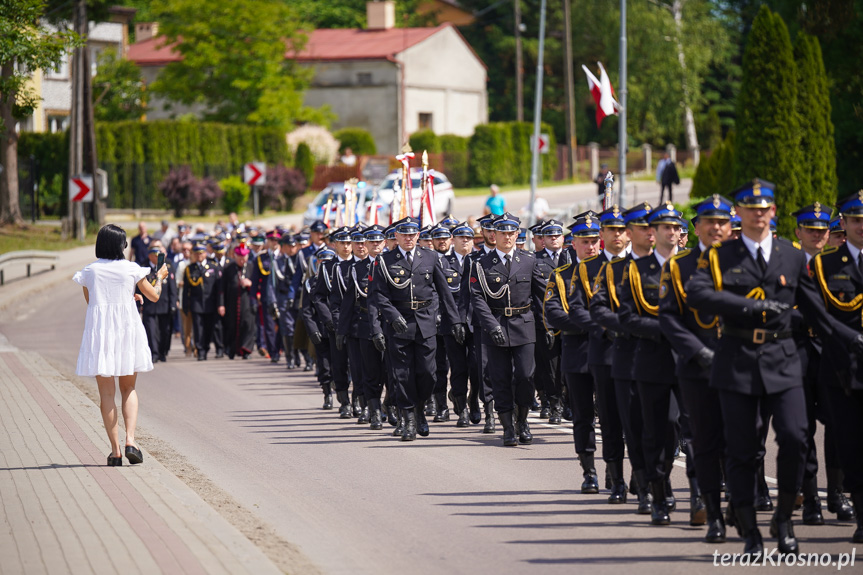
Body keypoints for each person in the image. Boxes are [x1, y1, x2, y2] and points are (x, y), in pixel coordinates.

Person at [687, 179, 863, 557]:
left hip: (784, 360)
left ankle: (783, 517)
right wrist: (750, 308)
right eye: (749, 208)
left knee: (797, 437)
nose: (756, 214)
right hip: (736, 359)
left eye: (763, 208)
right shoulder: (720, 255)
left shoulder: (792, 256)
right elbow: (698, 293)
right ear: (741, 213)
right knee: (742, 448)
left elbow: (817, 311)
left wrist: (850, 341)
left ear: (773, 212)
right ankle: (749, 529)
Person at [660, 195, 734, 542]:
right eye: (709, 221)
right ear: (697, 227)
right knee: (701, 440)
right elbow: (671, 318)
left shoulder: (749, 261)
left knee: (741, 439)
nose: (716, 227)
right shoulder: (680, 266)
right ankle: (709, 507)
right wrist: (699, 352)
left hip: (741, 364)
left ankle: (739, 500)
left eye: (723, 222)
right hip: (696, 365)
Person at [73, 224, 167, 467]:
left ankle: (115, 452)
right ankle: (131, 441)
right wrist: (160, 278)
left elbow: (91, 302)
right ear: (121, 245)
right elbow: (154, 296)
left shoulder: (90, 271)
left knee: (106, 393)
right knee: (129, 388)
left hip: (102, 335)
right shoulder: (131, 269)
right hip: (127, 331)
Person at [368, 216, 464, 441]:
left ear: (418, 236)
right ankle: (409, 419)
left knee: (428, 373)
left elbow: (444, 292)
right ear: (397, 236)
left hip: (425, 322)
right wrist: (391, 316)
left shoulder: (430, 257)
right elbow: (378, 294)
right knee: (402, 375)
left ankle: (420, 408)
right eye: (404, 234)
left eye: (413, 234)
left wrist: (455, 321)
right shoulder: (384, 260)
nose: (409, 238)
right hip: (399, 324)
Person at [810, 191, 863, 544]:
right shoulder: (823, 265)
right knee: (851, 445)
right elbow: (819, 316)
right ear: (842, 224)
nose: (862, 226)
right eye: (856, 220)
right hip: (844, 369)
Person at [469, 213, 547, 446]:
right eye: (502, 233)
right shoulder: (481, 264)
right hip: (496, 326)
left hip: (524, 325)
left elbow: (542, 295)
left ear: (517, 234)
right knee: (500, 378)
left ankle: (522, 420)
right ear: (495, 235)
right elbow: (477, 297)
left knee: (525, 376)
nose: (508, 237)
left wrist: (550, 326)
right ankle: (507, 428)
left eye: (512, 233)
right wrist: (491, 325)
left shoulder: (529, 260)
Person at [138, 242, 177, 363]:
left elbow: (172, 288)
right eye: (155, 255)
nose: (158, 258)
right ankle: (154, 353)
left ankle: (162, 352)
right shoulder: (143, 268)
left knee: (164, 331)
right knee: (151, 331)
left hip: (164, 305)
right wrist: (139, 306)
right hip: (149, 306)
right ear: (150, 256)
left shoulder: (166, 267)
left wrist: (173, 303)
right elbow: (138, 289)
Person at [222, 244, 256, 359]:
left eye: (244, 257)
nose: (242, 260)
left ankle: (246, 350)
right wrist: (221, 304)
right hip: (232, 302)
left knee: (247, 324)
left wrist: (250, 283)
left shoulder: (251, 267)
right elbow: (222, 289)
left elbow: (258, 284)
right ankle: (231, 349)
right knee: (232, 326)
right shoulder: (229, 268)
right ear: (235, 256)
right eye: (240, 257)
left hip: (247, 301)